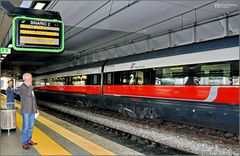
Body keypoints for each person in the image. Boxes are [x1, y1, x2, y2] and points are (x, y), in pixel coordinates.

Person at [18, 73, 38, 150]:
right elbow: (28, 95)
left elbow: (33, 99)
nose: (31, 80)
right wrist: (30, 86)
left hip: (32, 110)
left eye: (31, 78)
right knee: (25, 127)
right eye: (30, 79)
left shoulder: (29, 87)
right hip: (26, 111)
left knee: (30, 127)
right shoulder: (22, 87)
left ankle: (29, 140)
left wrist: (36, 109)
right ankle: (24, 143)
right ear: (25, 79)